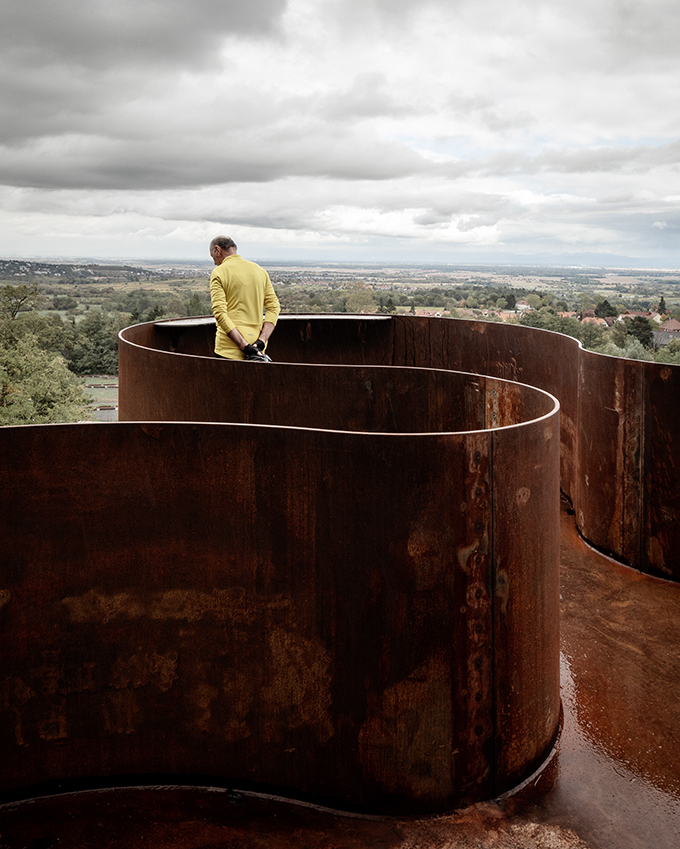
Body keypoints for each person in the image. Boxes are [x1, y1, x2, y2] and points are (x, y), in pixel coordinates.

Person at [209, 236, 280, 361]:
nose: (215, 262)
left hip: (228, 349)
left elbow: (219, 313)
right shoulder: (260, 271)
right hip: (257, 348)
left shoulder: (219, 272)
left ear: (217, 250)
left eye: (212, 257)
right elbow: (274, 308)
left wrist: (244, 346)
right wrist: (262, 341)